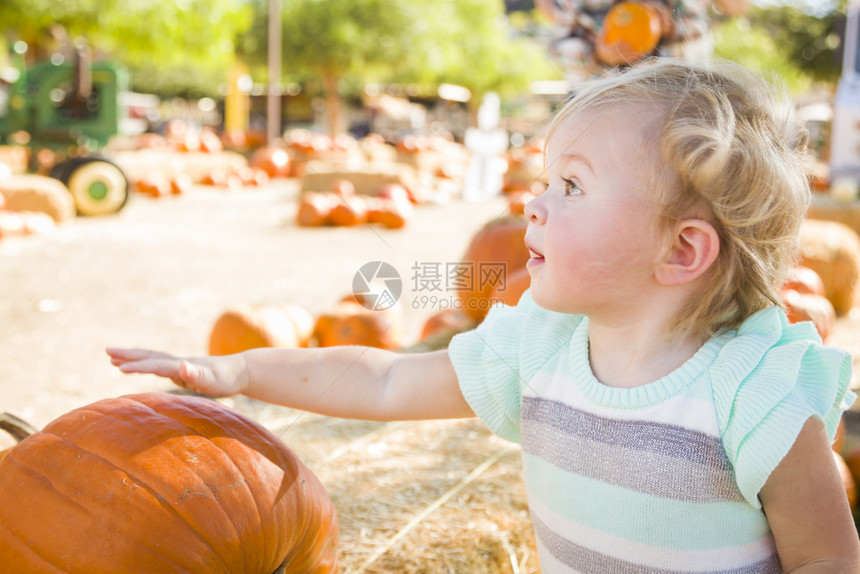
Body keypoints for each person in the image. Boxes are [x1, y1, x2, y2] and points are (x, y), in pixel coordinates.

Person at [108, 58, 860, 571]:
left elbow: (827, 557)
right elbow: (381, 384)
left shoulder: (752, 396)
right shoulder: (541, 348)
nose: (532, 204)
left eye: (571, 186)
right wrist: (238, 370)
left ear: (680, 250)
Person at [536, 0, 749, 81]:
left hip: (672, 96)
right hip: (599, 98)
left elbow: (699, 26)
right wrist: (597, 54)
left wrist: (670, 25)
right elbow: (556, 49)